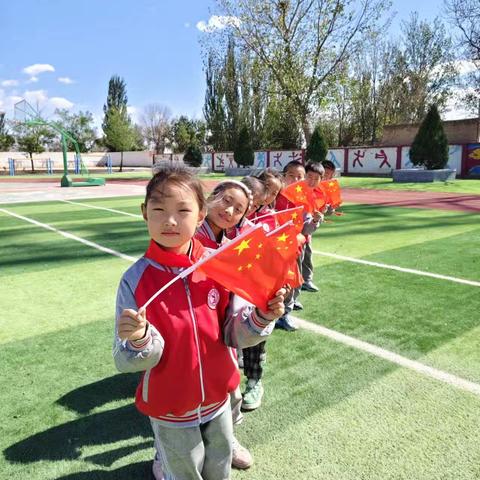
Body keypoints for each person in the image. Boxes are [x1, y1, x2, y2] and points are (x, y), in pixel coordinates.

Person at [113, 166, 286, 480]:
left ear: (202, 213)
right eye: (159, 210)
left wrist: (262, 316)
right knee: (184, 471)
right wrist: (140, 340)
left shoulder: (218, 264)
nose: (170, 221)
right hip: (170, 406)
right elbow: (124, 360)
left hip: (219, 398)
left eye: (183, 210)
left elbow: (234, 332)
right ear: (143, 212)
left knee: (219, 466)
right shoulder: (135, 280)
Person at [195, 179, 255, 469]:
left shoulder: (230, 240)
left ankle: (228, 440)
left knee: (230, 386)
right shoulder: (189, 232)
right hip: (191, 324)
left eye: (239, 209)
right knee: (186, 394)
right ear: (212, 197)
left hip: (221, 324)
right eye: (226, 200)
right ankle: (166, 453)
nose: (230, 210)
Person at [275, 161, 323, 330]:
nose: (295, 180)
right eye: (291, 176)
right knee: (276, 282)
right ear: (283, 176)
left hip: (296, 248)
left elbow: (307, 229)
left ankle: (286, 313)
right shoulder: (275, 196)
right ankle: (274, 313)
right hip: (276, 249)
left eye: (299, 177)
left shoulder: (305, 200)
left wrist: (316, 220)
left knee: (293, 280)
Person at [301, 162, 325, 293]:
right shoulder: (296, 193)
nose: (312, 181)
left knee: (307, 258)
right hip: (295, 235)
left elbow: (320, 213)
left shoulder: (318, 195)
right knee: (296, 264)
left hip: (307, 233)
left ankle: (307, 280)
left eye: (316, 178)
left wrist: (319, 216)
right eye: (309, 177)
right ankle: (295, 291)